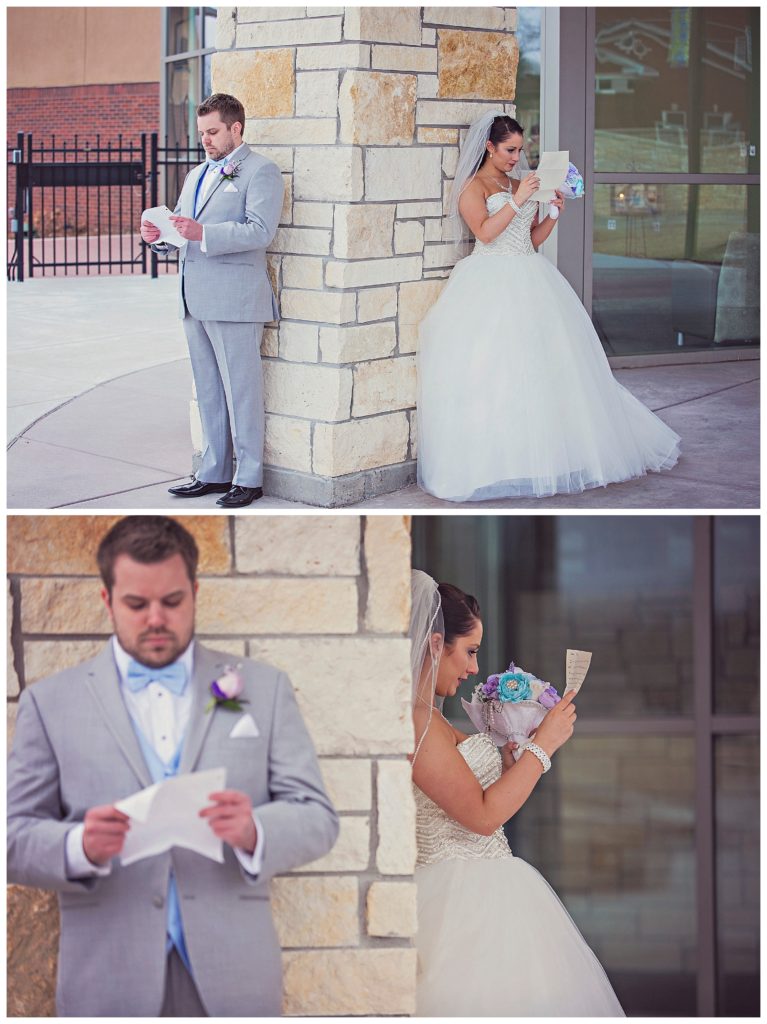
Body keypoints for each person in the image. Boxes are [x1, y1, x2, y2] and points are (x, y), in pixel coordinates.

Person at [7, 516, 338, 1017]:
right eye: (137, 605)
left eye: (172, 601)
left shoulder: (262, 688)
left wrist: (254, 831)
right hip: (106, 980)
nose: (156, 619)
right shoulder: (48, 703)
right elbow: (11, 838)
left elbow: (318, 818)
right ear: (107, 601)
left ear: (196, 593)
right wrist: (78, 846)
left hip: (234, 981)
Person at [417, 110, 681, 502]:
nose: (516, 158)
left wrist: (555, 212)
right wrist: (519, 199)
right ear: (489, 146)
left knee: (546, 368)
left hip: (532, 276)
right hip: (489, 281)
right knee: (495, 370)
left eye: (520, 150)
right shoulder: (475, 187)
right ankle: (499, 462)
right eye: (509, 150)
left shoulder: (518, 181)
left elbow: (532, 238)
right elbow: (486, 234)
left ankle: (552, 455)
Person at [409, 570, 625, 1016]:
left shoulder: (433, 718)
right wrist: (543, 746)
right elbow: (482, 818)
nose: (473, 668)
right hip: (457, 904)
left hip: (488, 891)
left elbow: (481, 813)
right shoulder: (418, 722)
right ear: (434, 644)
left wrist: (510, 766)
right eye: (469, 652)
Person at [140, 93, 283, 508]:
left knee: (242, 390)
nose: (205, 139)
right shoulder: (195, 174)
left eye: (213, 131)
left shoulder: (261, 171)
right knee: (207, 390)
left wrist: (203, 233)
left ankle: (250, 476)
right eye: (202, 132)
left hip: (236, 299)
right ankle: (215, 471)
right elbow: (183, 229)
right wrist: (161, 239)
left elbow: (260, 231)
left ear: (236, 128)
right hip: (193, 297)